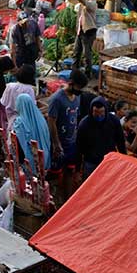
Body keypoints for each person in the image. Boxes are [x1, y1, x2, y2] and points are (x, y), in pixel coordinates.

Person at [47, 69, 87, 199]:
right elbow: (52, 122)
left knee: (70, 171)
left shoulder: (77, 97)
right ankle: (55, 201)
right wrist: (56, 143)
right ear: (71, 83)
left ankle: (67, 200)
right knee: (54, 175)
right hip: (59, 143)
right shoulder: (57, 99)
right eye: (78, 87)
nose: (80, 90)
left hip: (72, 143)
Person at [76, 97, 126, 178]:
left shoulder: (113, 121)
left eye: (101, 112)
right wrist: (77, 170)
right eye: (96, 112)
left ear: (105, 110)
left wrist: (125, 160)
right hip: (91, 162)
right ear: (91, 111)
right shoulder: (84, 124)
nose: (99, 115)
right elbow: (79, 147)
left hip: (109, 161)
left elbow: (120, 142)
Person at [13, 93, 52, 172]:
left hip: (29, 164)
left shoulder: (20, 123)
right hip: (44, 158)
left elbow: (19, 145)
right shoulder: (41, 119)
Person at [0, 64, 36, 133]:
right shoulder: (29, 89)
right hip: (24, 124)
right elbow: (32, 108)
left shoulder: (9, 86)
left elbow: (3, 103)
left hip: (10, 121)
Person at [70, 0, 97, 76]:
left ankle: (87, 73)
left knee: (86, 54)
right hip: (80, 31)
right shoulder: (82, 3)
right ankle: (74, 71)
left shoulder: (92, 4)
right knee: (76, 52)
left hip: (88, 31)